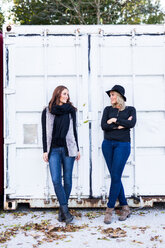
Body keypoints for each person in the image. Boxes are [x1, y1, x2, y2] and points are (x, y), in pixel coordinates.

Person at [41, 85, 80, 224]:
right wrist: (45, 150)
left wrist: (78, 149)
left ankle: (62, 211)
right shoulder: (47, 111)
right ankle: (66, 211)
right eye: (64, 93)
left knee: (68, 180)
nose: (67, 96)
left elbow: (74, 130)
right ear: (58, 94)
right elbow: (45, 132)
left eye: (68, 94)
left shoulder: (71, 111)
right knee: (56, 180)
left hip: (68, 148)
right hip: (54, 150)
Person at [101, 85, 136, 224]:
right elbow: (104, 126)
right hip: (107, 144)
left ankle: (109, 209)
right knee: (116, 176)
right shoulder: (107, 110)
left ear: (120, 96)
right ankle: (125, 207)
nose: (111, 97)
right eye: (110, 95)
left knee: (115, 176)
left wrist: (115, 121)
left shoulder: (130, 110)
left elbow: (132, 123)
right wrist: (122, 125)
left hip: (122, 145)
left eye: (113, 95)